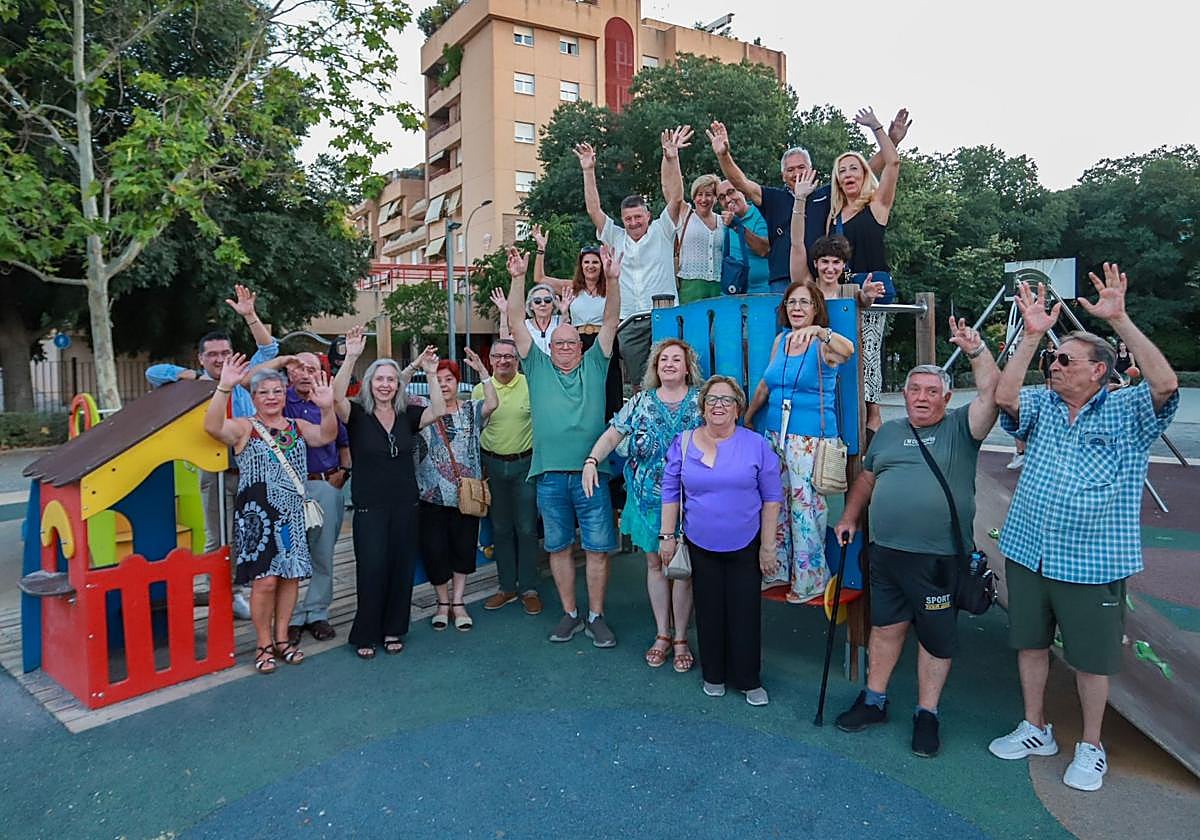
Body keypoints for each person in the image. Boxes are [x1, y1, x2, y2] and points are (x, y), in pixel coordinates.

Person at [988, 267, 1179, 792]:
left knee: (1091, 661)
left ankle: (1091, 746)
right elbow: (1004, 398)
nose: (1055, 365)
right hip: (1031, 550)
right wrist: (1031, 337)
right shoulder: (1043, 405)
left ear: (1099, 370)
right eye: (1054, 358)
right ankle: (1036, 728)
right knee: (1029, 644)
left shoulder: (1127, 411)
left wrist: (1119, 317)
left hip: (1092, 561)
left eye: (1065, 359)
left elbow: (1165, 384)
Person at [832, 318, 1000, 758]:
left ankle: (927, 713)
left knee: (934, 638)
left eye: (931, 392)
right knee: (886, 629)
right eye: (915, 390)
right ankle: (874, 700)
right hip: (886, 554)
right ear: (903, 395)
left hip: (939, 559)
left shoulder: (962, 429)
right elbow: (867, 479)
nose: (922, 397)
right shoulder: (888, 432)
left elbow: (992, 397)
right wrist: (850, 516)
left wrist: (977, 351)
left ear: (946, 397)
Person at [506, 244, 621, 647]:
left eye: (572, 342)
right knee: (557, 546)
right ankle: (570, 614)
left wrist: (614, 279)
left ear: (581, 346)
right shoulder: (536, 367)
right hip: (550, 476)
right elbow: (518, 325)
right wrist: (519, 278)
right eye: (559, 343)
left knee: (597, 549)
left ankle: (596, 615)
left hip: (592, 475)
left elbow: (610, 321)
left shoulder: (595, 363)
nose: (567, 348)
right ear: (549, 347)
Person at [146, 284, 279, 620]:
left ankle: (246, 591)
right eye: (212, 355)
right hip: (215, 470)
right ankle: (224, 595)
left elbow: (269, 347)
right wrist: (187, 374)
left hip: (251, 469)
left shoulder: (247, 376)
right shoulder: (198, 384)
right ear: (202, 358)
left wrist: (250, 316)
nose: (220, 359)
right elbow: (153, 373)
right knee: (217, 537)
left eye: (224, 353)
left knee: (252, 532)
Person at [202, 358, 338, 673]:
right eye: (264, 392)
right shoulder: (244, 427)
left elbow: (326, 436)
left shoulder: (298, 426)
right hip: (257, 520)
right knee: (264, 583)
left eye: (278, 390)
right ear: (253, 396)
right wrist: (224, 386)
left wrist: (328, 408)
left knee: (290, 578)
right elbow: (211, 427)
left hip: (291, 516)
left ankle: (281, 638)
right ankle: (262, 643)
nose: (272, 397)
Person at [581, 339, 703, 671]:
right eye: (663, 359)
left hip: (692, 502)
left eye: (676, 359)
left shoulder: (701, 403)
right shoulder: (640, 402)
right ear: (654, 367)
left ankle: (681, 638)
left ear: (687, 366)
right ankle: (662, 634)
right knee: (655, 566)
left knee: (683, 572)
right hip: (648, 500)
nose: (669, 364)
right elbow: (613, 435)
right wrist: (592, 460)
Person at [660, 376, 783, 705]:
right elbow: (670, 492)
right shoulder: (683, 442)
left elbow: (772, 497)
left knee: (745, 612)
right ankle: (713, 673)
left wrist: (768, 546)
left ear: (738, 407)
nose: (719, 405)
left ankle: (748, 678)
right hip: (700, 542)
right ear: (702, 406)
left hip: (746, 543)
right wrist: (666, 536)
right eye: (712, 399)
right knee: (709, 610)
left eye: (727, 400)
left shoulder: (756, 444)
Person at [332, 328, 447, 659]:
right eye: (379, 379)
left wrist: (429, 373)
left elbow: (438, 411)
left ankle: (394, 628)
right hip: (370, 507)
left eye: (391, 379)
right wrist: (352, 355)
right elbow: (335, 397)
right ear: (369, 383)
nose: (385, 384)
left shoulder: (406, 414)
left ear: (399, 385)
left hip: (405, 505)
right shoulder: (356, 414)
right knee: (371, 568)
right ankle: (366, 632)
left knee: (400, 567)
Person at [707, 110, 911, 293]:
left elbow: (864, 169)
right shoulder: (773, 198)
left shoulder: (827, 194)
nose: (796, 173)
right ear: (782, 175)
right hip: (782, 280)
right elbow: (740, 182)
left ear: (811, 169)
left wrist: (891, 140)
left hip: (821, 278)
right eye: (790, 170)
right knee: (788, 333)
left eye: (801, 167)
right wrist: (724, 155)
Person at [744, 281, 855, 602]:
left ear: (816, 308)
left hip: (810, 438)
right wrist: (750, 416)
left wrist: (822, 333)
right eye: (792, 302)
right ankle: (777, 570)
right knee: (773, 502)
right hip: (776, 434)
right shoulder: (781, 340)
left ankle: (811, 581)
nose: (797, 308)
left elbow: (848, 351)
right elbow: (767, 383)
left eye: (805, 303)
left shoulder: (823, 344)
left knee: (806, 509)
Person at [824, 108, 901, 434]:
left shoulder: (877, 204)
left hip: (873, 287)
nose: (848, 174)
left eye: (854, 168)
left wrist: (878, 129)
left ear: (864, 173)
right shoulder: (834, 216)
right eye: (842, 171)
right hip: (843, 290)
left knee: (868, 348)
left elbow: (893, 163)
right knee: (841, 348)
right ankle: (843, 407)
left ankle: (873, 413)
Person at [576, 140, 678, 387]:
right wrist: (588, 171)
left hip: (662, 315)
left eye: (638, 217)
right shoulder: (615, 236)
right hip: (630, 321)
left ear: (648, 216)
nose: (633, 223)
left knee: (671, 375)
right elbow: (594, 210)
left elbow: (675, 199)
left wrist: (672, 159)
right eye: (628, 218)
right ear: (622, 220)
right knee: (639, 382)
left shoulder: (662, 230)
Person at [412, 353, 498, 632]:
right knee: (434, 551)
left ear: (458, 382)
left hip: (465, 496)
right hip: (430, 495)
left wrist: (484, 372)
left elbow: (493, 403)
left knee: (463, 549)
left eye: (448, 379)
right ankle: (441, 603)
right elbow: (397, 389)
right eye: (438, 380)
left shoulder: (470, 409)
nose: (444, 384)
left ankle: (458, 602)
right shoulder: (421, 408)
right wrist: (420, 367)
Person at [279, 352, 351, 646]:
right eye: (301, 368)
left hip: (325, 485)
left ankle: (317, 612)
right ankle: (291, 617)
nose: (307, 374)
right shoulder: (278, 400)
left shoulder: (328, 403)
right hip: (289, 489)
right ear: (291, 372)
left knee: (323, 553)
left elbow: (343, 442)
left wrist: (344, 473)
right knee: (290, 554)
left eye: (314, 368)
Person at [474, 339, 543, 616]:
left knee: (526, 528)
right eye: (498, 356)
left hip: (524, 464)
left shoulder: (531, 385)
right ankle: (506, 586)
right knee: (500, 529)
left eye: (509, 356)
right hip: (492, 466)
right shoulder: (481, 389)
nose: (504, 361)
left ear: (517, 360)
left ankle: (528, 588)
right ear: (490, 360)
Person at [530, 225, 623, 419]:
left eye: (595, 262)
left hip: (604, 340)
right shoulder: (571, 288)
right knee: (583, 388)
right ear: (581, 265)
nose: (590, 266)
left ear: (602, 264)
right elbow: (539, 278)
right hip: (579, 341)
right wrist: (540, 249)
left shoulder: (612, 287)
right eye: (586, 262)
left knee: (609, 387)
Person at [658, 126, 723, 303]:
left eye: (709, 194)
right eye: (699, 194)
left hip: (718, 285)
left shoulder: (723, 221)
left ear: (716, 198)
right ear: (694, 197)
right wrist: (671, 158)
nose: (704, 199)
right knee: (693, 328)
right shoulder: (685, 214)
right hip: (691, 285)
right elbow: (669, 188)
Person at [716, 179, 771, 294]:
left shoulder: (760, 214)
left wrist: (737, 226)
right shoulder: (722, 223)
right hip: (732, 294)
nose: (728, 199)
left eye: (731, 192)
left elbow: (764, 250)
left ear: (743, 192)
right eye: (722, 197)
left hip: (762, 293)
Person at [522, 282, 562, 355]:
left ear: (553, 304)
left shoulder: (561, 321)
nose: (543, 304)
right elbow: (506, 343)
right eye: (537, 301)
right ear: (531, 306)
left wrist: (564, 312)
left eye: (547, 300)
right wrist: (504, 313)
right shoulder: (524, 326)